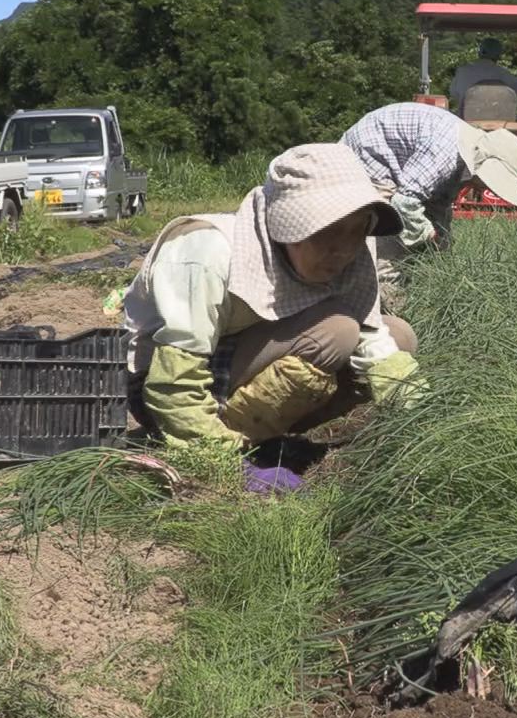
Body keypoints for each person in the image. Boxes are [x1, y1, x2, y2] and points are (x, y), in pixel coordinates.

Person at [120, 143, 423, 489]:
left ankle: (267, 435)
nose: (342, 249)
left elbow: (375, 342)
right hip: (161, 385)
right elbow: (172, 383)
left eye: (356, 229)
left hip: (243, 357)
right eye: (326, 231)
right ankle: (232, 444)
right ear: (286, 226)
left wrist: (423, 419)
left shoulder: (350, 249)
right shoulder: (207, 251)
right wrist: (224, 462)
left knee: (399, 336)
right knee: (338, 331)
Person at [340, 102, 517, 285]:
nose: (487, 189)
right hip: (366, 160)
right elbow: (403, 203)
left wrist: (441, 242)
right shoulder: (446, 152)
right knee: (390, 251)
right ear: (482, 164)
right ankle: (388, 304)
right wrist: (429, 234)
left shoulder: (463, 155)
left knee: (434, 244)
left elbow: (438, 204)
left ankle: (414, 289)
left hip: (396, 169)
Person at [449, 37, 517, 106]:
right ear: (498, 55)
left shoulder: (462, 71)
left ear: (479, 52)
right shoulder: (502, 74)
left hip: (466, 123)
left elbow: (453, 93)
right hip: (497, 124)